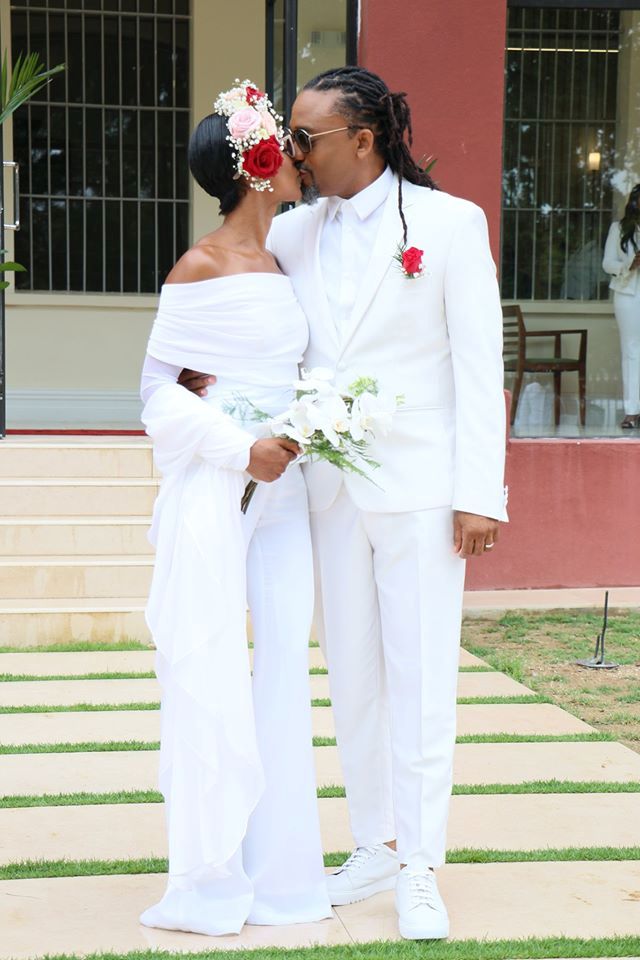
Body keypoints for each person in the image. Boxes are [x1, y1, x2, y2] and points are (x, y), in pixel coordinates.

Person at [181, 66, 507, 941]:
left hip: (424, 492)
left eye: (306, 138)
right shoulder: (291, 235)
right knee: (352, 676)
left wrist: (481, 495)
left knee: (422, 675)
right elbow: (251, 340)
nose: (293, 152)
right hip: (325, 495)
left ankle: (420, 865)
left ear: (362, 140)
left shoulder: (448, 226)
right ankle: (372, 841)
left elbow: (480, 369)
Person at [138, 80, 331, 937]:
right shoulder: (201, 265)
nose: (298, 159)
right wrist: (235, 446)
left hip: (285, 498)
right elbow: (154, 396)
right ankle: (211, 872)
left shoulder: (291, 255)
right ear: (257, 166)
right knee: (214, 668)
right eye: (285, 148)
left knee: (285, 664)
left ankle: (285, 876)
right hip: (219, 491)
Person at [603, 183, 640, 429]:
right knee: (631, 351)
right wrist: (629, 265)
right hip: (628, 293)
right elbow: (607, 263)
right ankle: (631, 410)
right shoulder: (618, 228)